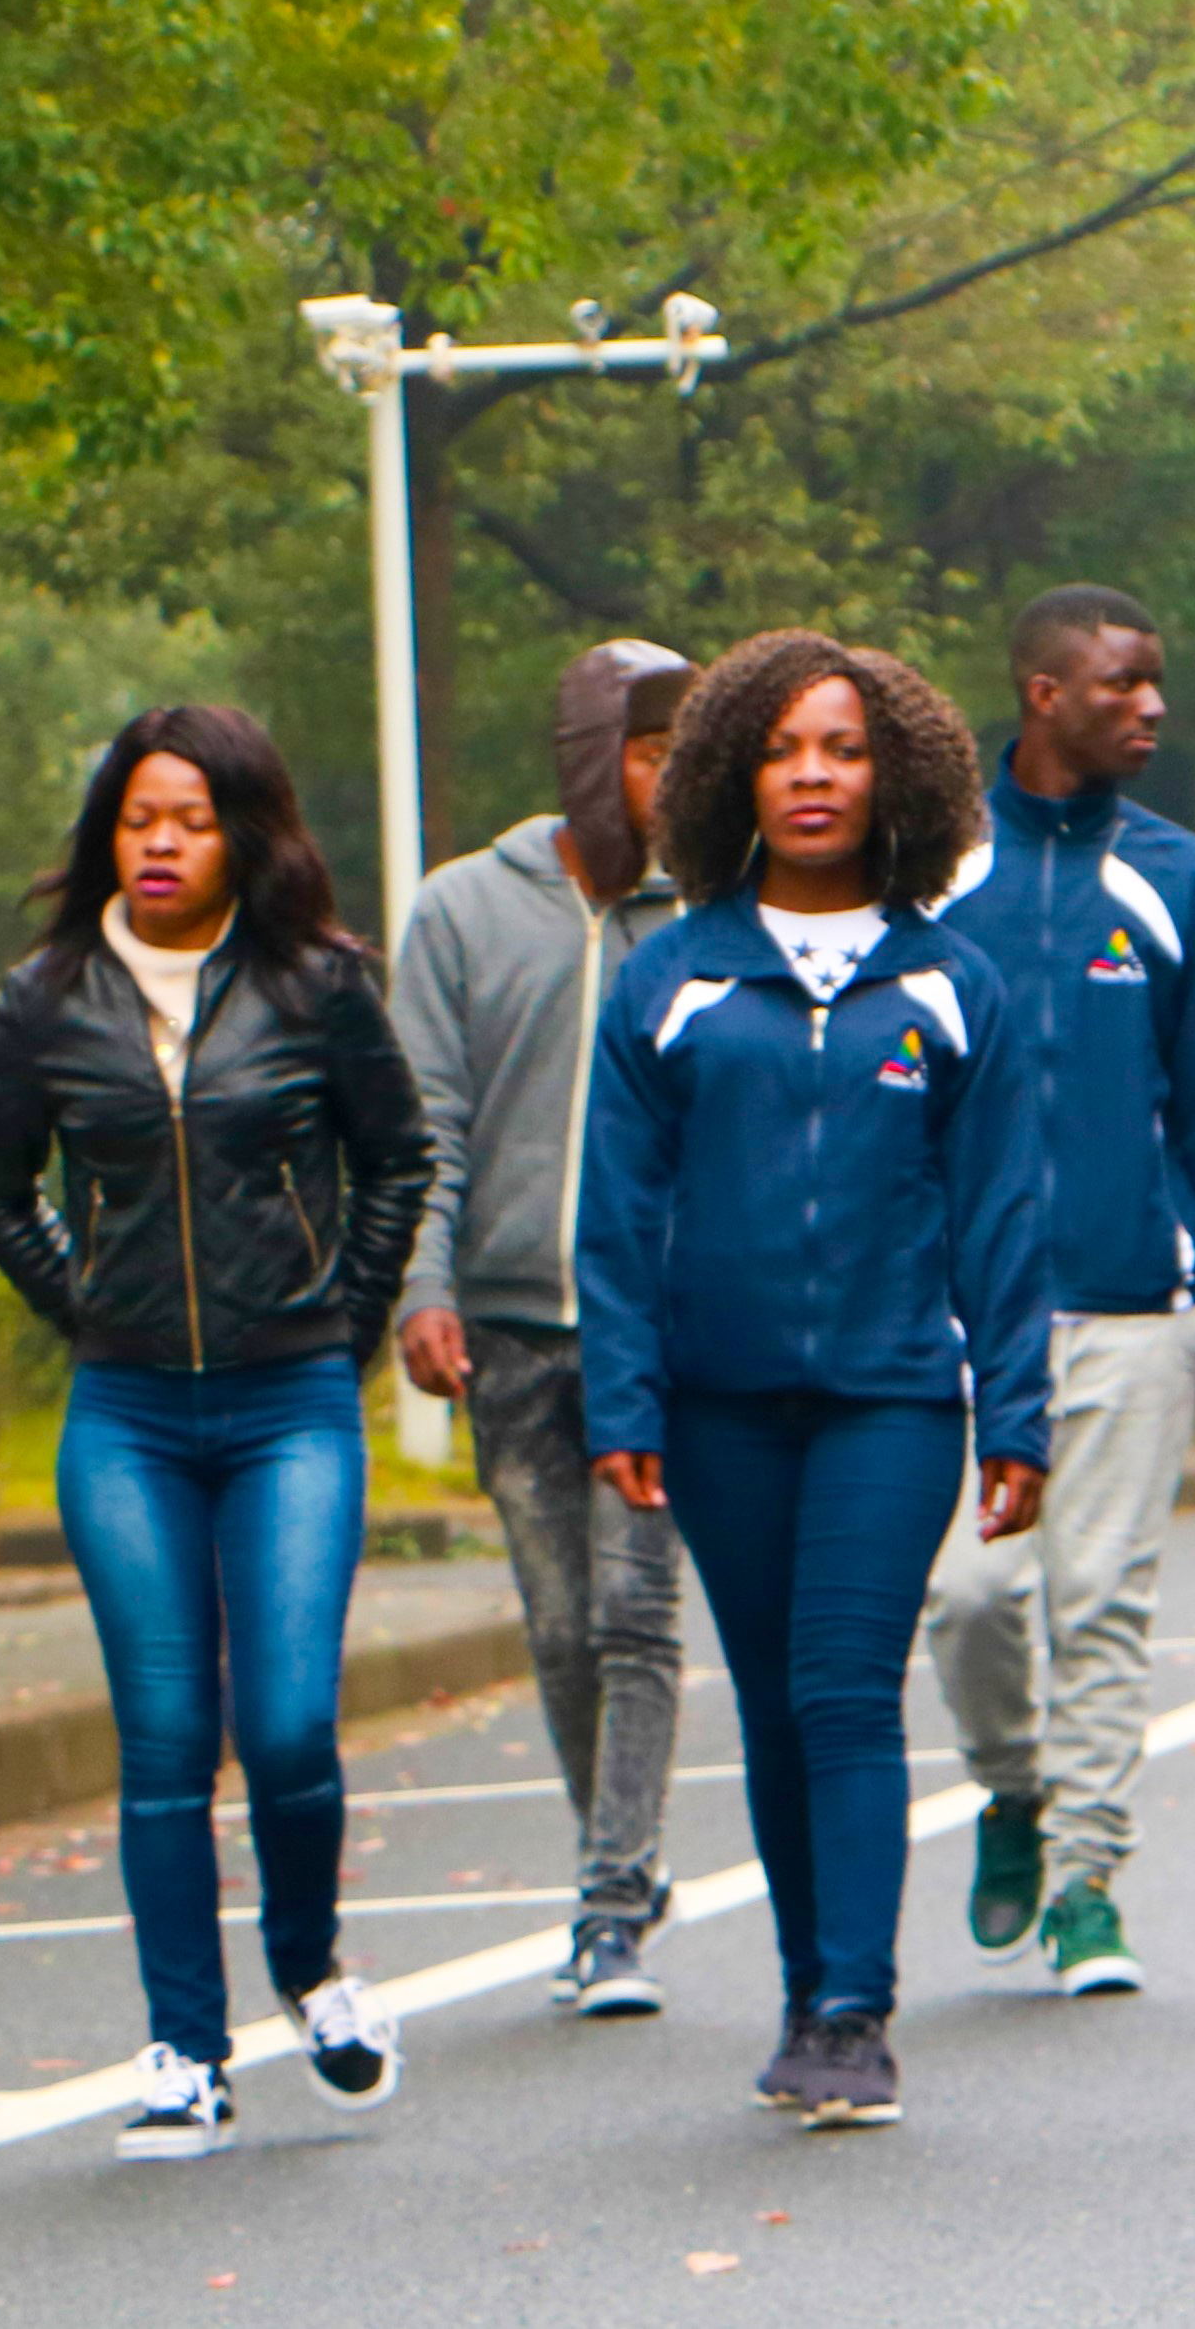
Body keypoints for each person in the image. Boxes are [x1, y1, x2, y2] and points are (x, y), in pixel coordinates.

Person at [578, 630, 1054, 2132]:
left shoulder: (952, 984)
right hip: (715, 1406)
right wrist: (624, 1397)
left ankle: (853, 2006)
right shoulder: (670, 978)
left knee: (847, 1683)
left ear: (892, 774)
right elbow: (614, 1209)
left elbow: (1000, 1215)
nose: (812, 774)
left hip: (892, 1396)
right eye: (783, 748)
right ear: (734, 774)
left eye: (842, 749)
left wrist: (1018, 1414)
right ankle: (806, 1987)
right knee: (780, 1707)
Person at [0, 704, 430, 2164]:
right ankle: (183, 2048)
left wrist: (341, 1329)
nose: (159, 842)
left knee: (284, 1724)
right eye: (139, 817)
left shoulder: (319, 983)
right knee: (165, 1738)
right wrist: (84, 1302)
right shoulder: (48, 998)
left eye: (192, 818)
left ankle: (310, 1967)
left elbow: (397, 1158)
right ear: (110, 829)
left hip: (291, 1403)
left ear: (245, 834)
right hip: (130, 1415)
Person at [922, 588, 1195, 2003]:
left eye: (1158, 681)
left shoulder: (1183, 879)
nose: (1152, 707)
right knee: (969, 1596)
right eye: (1124, 683)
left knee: (1101, 1599)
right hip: (959, 1317)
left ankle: (1084, 1885)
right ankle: (1010, 1790)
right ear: (1042, 692)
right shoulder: (934, 870)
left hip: (1138, 1302)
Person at [391, 641, 694, 2019]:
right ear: (588, 758)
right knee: (563, 1625)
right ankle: (613, 1854)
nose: (672, 776)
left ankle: (610, 1904)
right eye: (648, 748)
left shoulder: (707, 922)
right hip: (507, 1334)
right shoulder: (461, 912)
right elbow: (426, 1127)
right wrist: (425, 1286)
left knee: (638, 1615)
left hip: (658, 1329)